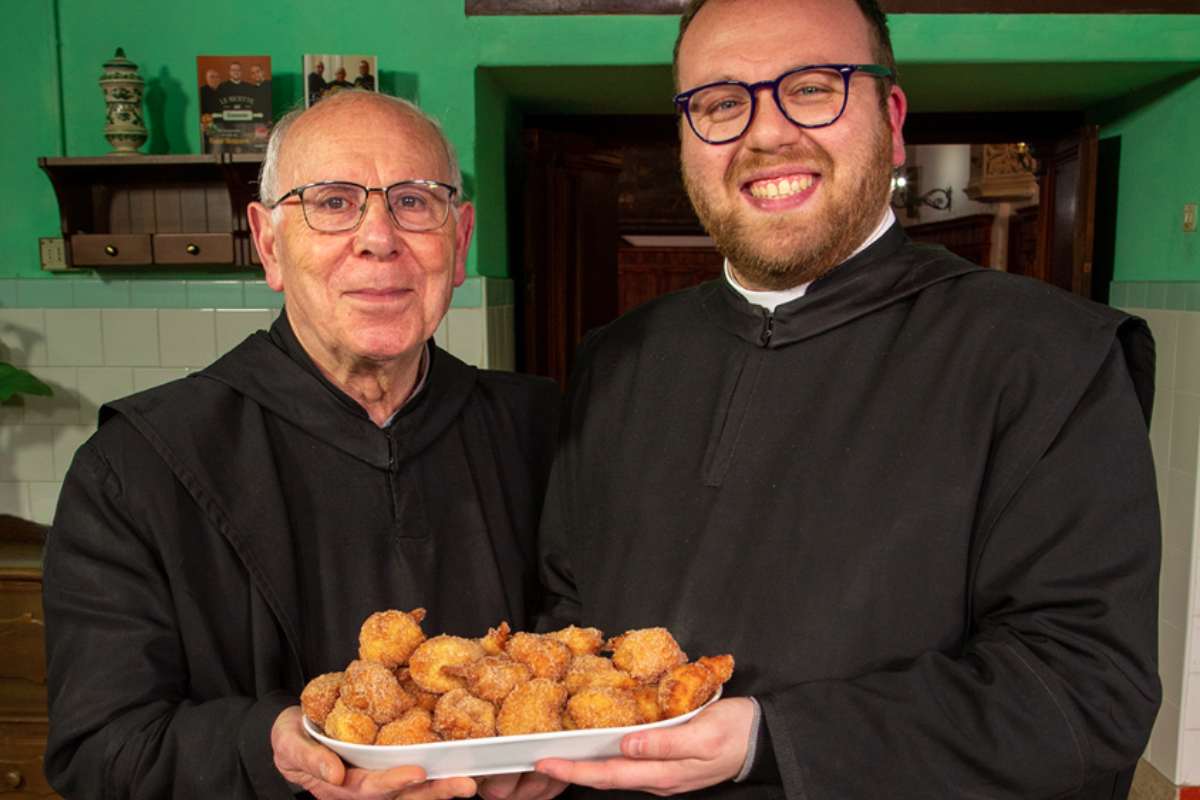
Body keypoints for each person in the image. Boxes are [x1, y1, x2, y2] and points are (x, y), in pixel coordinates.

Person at [533, 1, 1161, 798]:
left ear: (890, 118)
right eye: (722, 103)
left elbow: (1084, 695)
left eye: (812, 87)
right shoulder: (616, 357)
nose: (765, 135)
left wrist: (771, 737)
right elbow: (567, 621)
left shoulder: (1048, 358)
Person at [43, 90, 561, 800]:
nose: (379, 237)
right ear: (267, 244)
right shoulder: (134, 468)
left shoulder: (547, 431)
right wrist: (271, 745)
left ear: (461, 240)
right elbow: (99, 752)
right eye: (333, 202)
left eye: (414, 201)